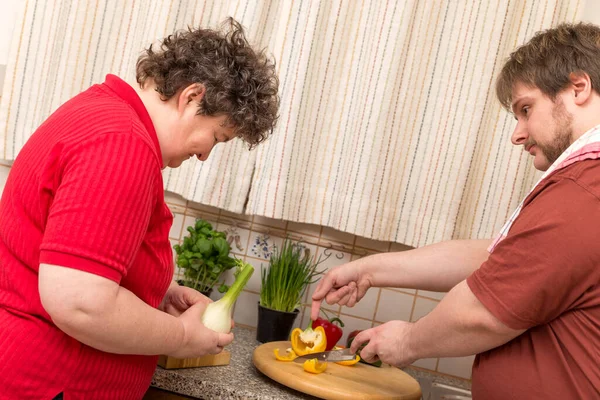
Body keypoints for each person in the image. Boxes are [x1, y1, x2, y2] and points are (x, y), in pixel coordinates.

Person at [311, 22, 600, 400]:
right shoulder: (582, 181)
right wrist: (370, 268)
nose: (517, 133)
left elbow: (480, 313)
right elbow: (502, 259)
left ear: (578, 88)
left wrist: (408, 341)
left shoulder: (585, 188)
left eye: (526, 109)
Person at [0, 17, 279, 400]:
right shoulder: (122, 145)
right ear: (192, 96)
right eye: (216, 136)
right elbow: (80, 303)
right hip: (58, 384)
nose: (203, 154)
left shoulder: (101, 112)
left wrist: (160, 293)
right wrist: (181, 337)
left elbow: (77, 262)